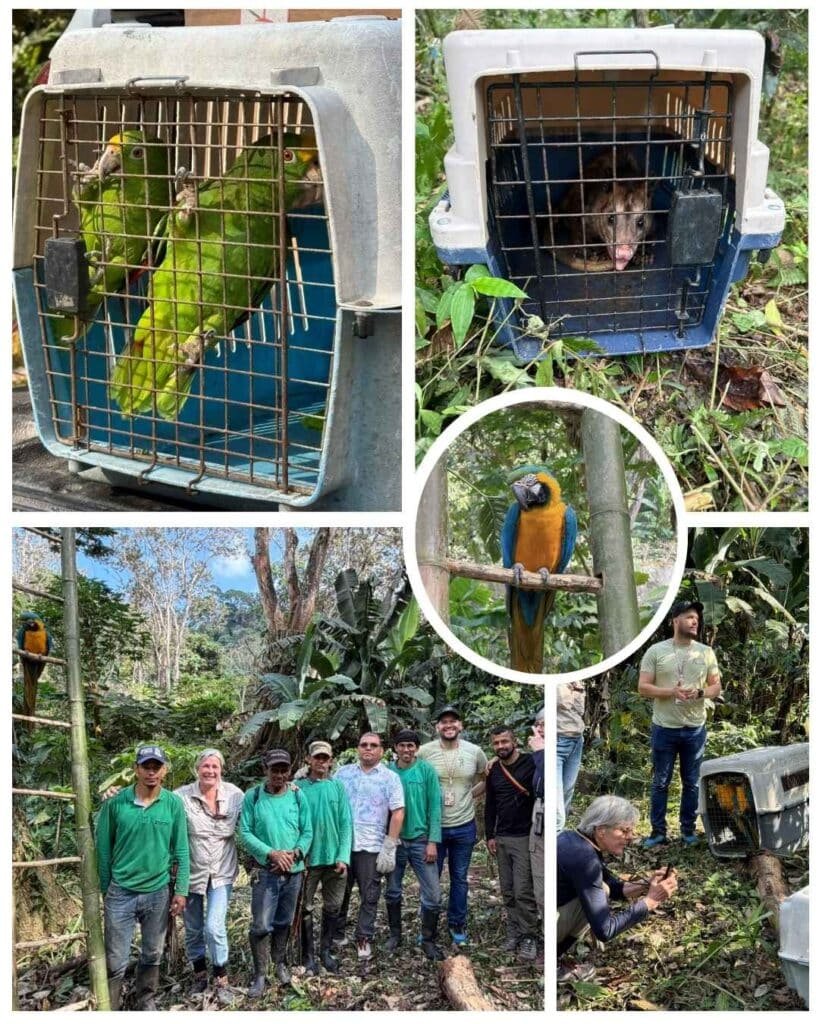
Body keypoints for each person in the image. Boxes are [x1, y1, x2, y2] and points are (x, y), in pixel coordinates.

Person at [95, 744, 190, 1011]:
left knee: (152, 952)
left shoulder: (172, 804)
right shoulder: (116, 803)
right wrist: (107, 890)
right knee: (116, 960)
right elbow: (103, 850)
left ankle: (145, 1002)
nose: (151, 772)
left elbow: (181, 848)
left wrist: (181, 889)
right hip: (121, 892)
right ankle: (109, 1006)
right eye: (145, 767)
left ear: (164, 771)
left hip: (157, 892)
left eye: (156, 767)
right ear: (136, 770)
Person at [557, 795, 677, 982]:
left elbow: (613, 888)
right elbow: (605, 930)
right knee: (599, 893)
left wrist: (647, 884)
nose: (630, 837)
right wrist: (651, 901)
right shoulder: (585, 859)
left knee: (601, 890)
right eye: (624, 831)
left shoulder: (575, 840)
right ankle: (552, 960)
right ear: (601, 830)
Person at [638, 600, 722, 847]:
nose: (694, 621)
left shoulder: (706, 652)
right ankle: (658, 832)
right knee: (660, 782)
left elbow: (716, 687)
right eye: (688, 617)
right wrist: (670, 692)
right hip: (664, 728)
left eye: (696, 617)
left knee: (692, 782)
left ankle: (687, 831)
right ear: (674, 620)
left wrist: (699, 693)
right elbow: (643, 687)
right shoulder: (656, 651)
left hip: (695, 729)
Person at [239, 749, 313, 999]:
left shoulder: (297, 795)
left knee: (283, 921)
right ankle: (260, 974)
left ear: (289, 770)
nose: (279, 774)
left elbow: (307, 830)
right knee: (261, 925)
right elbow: (245, 832)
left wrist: (295, 853)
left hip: (293, 871)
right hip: (266, 871)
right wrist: (271, 853)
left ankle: (279, 964)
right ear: (265, 770)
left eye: (284, 769)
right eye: (275, 770)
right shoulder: (254, 796)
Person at [175, 748, 243, 1004]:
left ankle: (221, 976)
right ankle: (200, 973)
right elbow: (156, 805)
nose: (210, 771)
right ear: (197, 769)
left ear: (221, 770)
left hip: (222, 872)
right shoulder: (181, 796)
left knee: (214, 927)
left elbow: (255, 814)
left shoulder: (235, 794)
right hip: (191, 873)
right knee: (193, 928)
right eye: (206, 766)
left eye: (215, 767)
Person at [417, 706, 488, 946]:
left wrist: (469, 796)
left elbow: (484, 778)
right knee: (431, 878)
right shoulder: (424, 752)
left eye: (453, 721)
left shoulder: (474, 751)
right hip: (433, 828)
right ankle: (428, 925)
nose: (449, 725)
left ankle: (457, 922)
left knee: (459, 877)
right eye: (443, 722)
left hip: (463, 825)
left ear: (461, 726)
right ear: (437, 727)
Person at [335, 732, 405, 962]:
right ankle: (336, 934)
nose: (368, 749)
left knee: (370, 894)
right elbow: (330, 802)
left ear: (381, 751)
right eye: (364, 744)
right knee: (339, 893)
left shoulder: (390, 778)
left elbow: (398, 812)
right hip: (343, 845)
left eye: (373, 745)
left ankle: (363, 937)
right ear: (357, 748)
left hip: (372, 844)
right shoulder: (342, 774)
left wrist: (390, 845)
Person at [384, 729, 444, 960]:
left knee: (433, 895)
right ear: (395, 748)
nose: (406, 750)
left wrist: (433, 841)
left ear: (416, 748)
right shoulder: (388, 772)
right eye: (402, 746)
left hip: (421, 840)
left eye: (410, 746)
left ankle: (428, 939)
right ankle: (395, 934)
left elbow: (435, 807)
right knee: (392, 891)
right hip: (395, 840)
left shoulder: (426, 771)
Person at [294, 740, 352, 975]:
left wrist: (343, 856)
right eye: (317, 757)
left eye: (325, 758)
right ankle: (307, 955)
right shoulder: (297, 788)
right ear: (309, 759)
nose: (321, 762)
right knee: (304, 907)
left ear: (331, 761)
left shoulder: (337, 787)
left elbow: (346, 823)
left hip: (334, 858)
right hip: (308, 860)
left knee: (333, 906)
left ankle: (326, 950)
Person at [485, 726, 538, 961]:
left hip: (525, 837)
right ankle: (514, 931)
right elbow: (490, 805)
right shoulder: (494, 769)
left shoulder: (532, 763)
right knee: (507, 890)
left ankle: (530, 936)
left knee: (523, 890)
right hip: (502, 837)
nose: (500, 747)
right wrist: (490, 835)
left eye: (504, 741)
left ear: (514, 741)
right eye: (496, 743)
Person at [556, 682, 585, 831]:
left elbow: (580, 709)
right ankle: (555, 839)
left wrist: (577, 687)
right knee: (556, 804)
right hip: (557, 741)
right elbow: (564, 702)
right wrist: (574, 689)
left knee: (567, 789)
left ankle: (559, 839)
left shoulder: (577, 681)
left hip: (576, 739)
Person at [528, 709, 545, 927]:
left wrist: (541, 752)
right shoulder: (539, 752)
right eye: (538, 724)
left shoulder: (551, 753)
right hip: (538, 813)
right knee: (539, 875)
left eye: (545, 724)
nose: (540, 729)